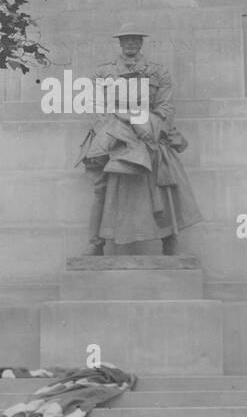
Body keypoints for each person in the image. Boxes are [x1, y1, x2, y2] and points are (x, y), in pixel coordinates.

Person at [78, 25, 201, 255]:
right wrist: (118, 130)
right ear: (120, 43)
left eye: (135, 40)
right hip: (113, 135)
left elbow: (165, 106)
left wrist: (145, 126)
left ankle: (169, 239)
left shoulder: (157, 72)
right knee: (102, 188)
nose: (131, 44)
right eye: (126, 40)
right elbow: (96, 107)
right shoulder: (104, 73)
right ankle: (97, 243)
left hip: (148, 132)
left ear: (141, 43)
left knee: (165, 179)